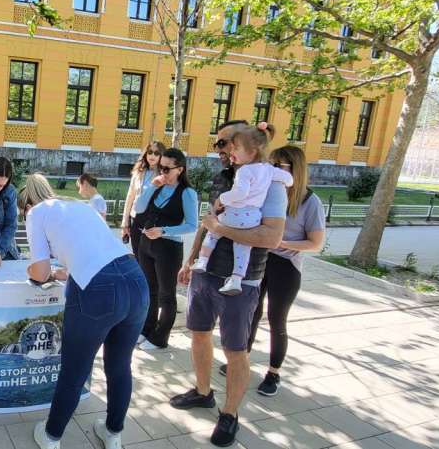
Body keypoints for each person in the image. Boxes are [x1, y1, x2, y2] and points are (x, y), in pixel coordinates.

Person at [170, 122, 288, 448]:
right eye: (219, 143)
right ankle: (204, 393)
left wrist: (221, 229)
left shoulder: (271, 184)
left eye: (226, 143)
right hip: (205, 272)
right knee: (199, 335)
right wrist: (191, 259)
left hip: (242, 279)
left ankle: (230, 414)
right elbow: (208, 222)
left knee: (235, 350)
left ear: (246, 144)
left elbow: (272, 236)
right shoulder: (222, 178)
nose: (220, 149)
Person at [19, 174, 149, 449]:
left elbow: (39, 273)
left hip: (98, 291)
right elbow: (95, 253)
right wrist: (64, 271)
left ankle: (51, 436)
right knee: (119, 365)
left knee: (74, 371)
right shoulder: (79, 205)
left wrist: (33, 270)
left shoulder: (36, 213)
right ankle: (113, 434)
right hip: (135, 279)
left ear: (27, 204)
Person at [218, 145, 326, 397]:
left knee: (277, 319)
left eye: (279, 167)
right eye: (271, 164)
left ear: (294, 170)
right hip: (259, 259)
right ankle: (241, 359)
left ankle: (273, 373)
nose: (272, 170)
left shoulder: (310, 202)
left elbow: (316, 243)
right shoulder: (264, 191)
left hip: (286, 266)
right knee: (251, 313)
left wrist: (282, 243)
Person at [193, 127, 293, 294]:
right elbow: (289, 180)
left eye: (234, 147)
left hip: (235, 213)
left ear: (252, 151)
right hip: (252, 217)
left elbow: (240, 193)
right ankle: (236, 279)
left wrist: (222, 199)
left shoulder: (245, 170)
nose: (229, 150)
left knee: (212, 232)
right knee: (243, 248)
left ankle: (202, 260)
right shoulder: (268, 170)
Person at [131, 148, 199, 351]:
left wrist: (163, 231)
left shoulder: (187, 193)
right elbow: (140, 208)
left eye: (167, 169)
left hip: (168, 248)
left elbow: (192, 225)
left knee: (166, 294)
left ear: (180, 169)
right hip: (146, 244)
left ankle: (160, 337)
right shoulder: (158, 185)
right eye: (160, 167)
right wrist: (152, 187)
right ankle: (147, 328)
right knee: (149, 289)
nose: (163, 172)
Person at [121, 142, 165, 251]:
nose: (152, 156)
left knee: (148, 256)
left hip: (151, 221)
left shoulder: (163, 176)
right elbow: (130, 197)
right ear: (145, 154)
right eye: (150, 152)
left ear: (161, 156)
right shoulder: (138, 172)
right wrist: (125, 221)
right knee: (137, 253)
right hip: (135, 219)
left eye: (156, 153)